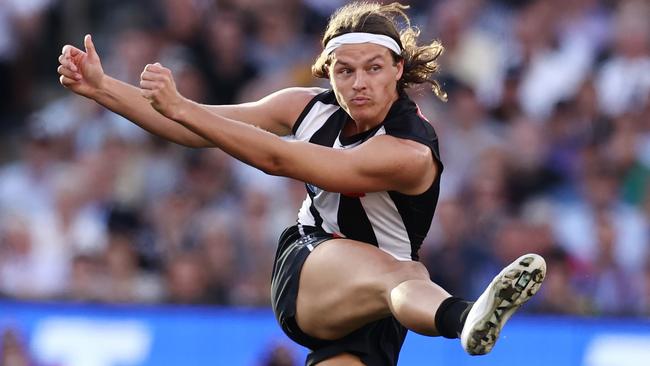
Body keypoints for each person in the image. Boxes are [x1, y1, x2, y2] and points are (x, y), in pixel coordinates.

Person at [57, 2, 546, 365]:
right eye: (344, 70)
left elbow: (274, 156)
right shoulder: (305, 107)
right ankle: (465, 320)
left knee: (400, 277)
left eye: (374, 69)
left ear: (399, 71)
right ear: (326, 73)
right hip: (311, 267)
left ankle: (466, 319)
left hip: (378, 309)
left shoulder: (409, 151)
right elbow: (194, 128)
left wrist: (183, 106)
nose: (359, 83)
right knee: (408, 275)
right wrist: (103, 87)